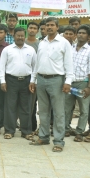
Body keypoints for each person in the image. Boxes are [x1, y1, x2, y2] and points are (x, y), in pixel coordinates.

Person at [30, 17, 74, 152]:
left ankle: (59, 141)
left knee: (58, 112)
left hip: (57, 80)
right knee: (43, 110)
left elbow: (69, 63)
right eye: (47, 25)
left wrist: (68, 81)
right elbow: (37, 63)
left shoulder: (64, 43)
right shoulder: (42, 42)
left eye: (52, 25)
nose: (49, 27)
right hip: (41, 79)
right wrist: (33, 79)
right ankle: (43, 137)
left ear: (57, 27)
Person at [0, 27, 37, 140]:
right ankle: (9, 130)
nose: (20, 37)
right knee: (10, 106)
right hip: (11, 80)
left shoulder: (31, 50)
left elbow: (35, 67)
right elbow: (1, 67)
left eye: (22, 36)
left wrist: (33, 81)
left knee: (26, 107)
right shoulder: (7, 50)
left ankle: (26, 131)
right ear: (14, 36)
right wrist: (2, 81)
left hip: (27, 81)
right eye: (18, 35)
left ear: (24, 36)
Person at [65, 25, 90, 142]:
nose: (80, 35)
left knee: (84, 109)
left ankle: (79, 132)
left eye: (83, 33)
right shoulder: (70, 48)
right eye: (79, 33)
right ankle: (66, 129)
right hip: (69, 82)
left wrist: (89, 87)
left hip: (83, 83)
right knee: (66, 108)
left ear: (88, 36)